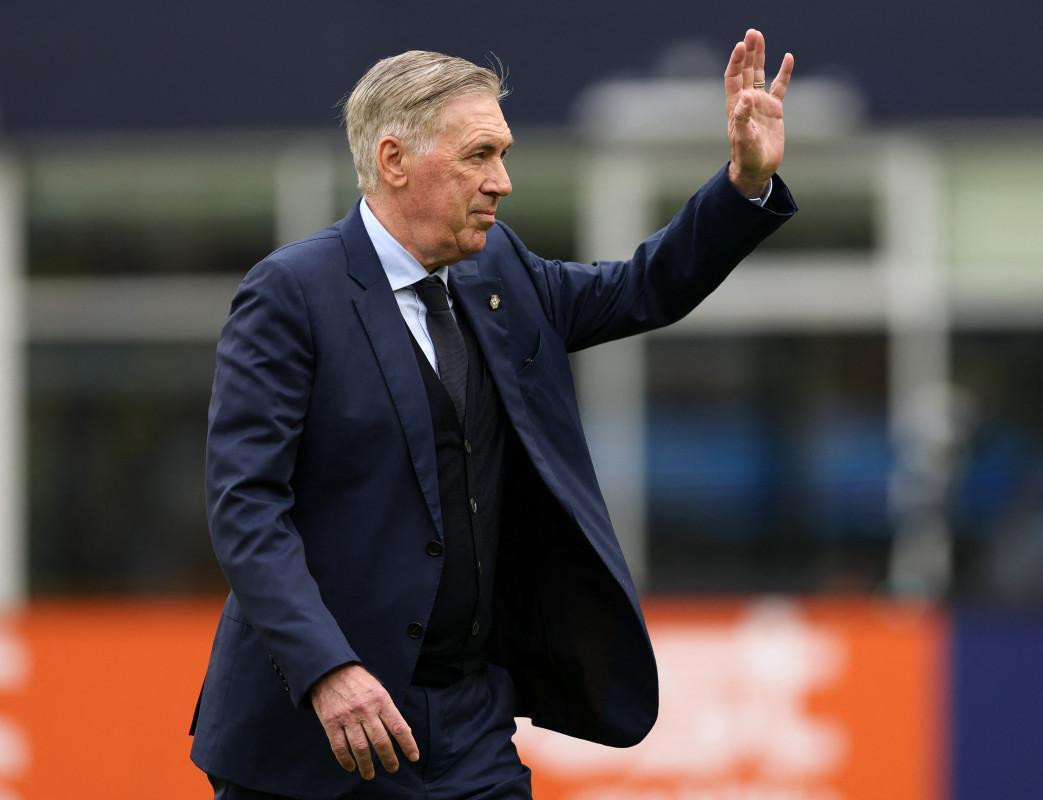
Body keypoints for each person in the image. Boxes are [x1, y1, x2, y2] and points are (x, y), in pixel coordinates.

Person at [190, 28, 796, 800]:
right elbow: (246, 509)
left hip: (468, 723)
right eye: (479, 155)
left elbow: (644, 288)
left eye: (501, 154)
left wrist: (743, 183)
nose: (502, 181)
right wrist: (328, 670)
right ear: (393, 161)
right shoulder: (290, 295)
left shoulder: (498, 268)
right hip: (314, 729)